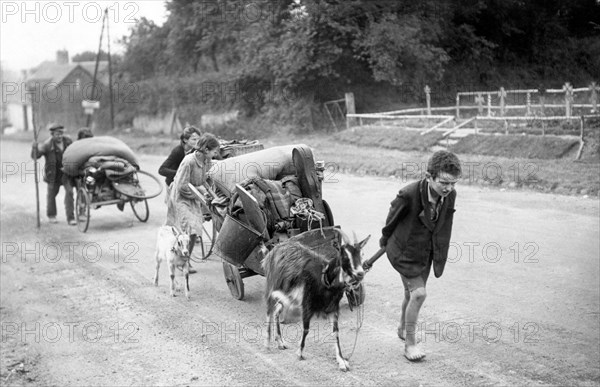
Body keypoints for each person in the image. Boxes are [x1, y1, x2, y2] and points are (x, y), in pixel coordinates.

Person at [379, 150, 462, 362]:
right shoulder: (408, 194)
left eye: (453, 183)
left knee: (410, 294)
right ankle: (410, 345)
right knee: (419, 294)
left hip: (426, 253)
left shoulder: (449, 195)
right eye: (444, 182)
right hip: (404, 252)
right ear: (429, 176)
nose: (449, 188)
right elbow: (391, 220)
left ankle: (402, 328)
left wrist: (439, 252)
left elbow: (445, 226)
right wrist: (385, 241)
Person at [166, 133, 220, 259]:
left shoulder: (206, 161)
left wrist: (212, 194)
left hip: (193, 197)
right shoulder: (189, 161)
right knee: (189, 230)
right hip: (181, 198)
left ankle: (185, 257)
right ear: (206, 150)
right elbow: (182, 186)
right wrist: (200, 196)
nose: (215, 155)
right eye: (214, 152)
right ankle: (183, 259)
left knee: (195, 231)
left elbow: (205, 180)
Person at [31, 123, 76, 225]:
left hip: (66, 173)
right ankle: (52, 215)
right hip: (53, 175)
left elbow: (75, 151)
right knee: (51, 195)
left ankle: (71, 218)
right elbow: (35, 156)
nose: (59, 136)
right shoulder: (47, 145)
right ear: (52, 134)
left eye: (61, 133)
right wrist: (34, 147)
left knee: (70, 192)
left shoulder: (68, 141)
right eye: (57, 134)